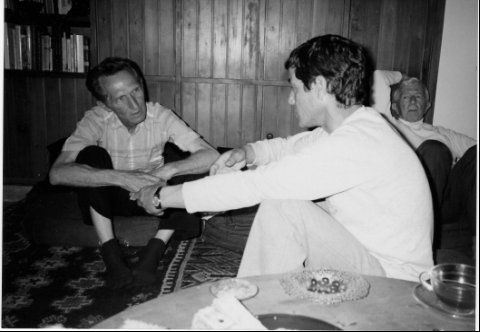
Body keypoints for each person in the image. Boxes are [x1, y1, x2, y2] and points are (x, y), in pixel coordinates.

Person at [132, 34, 434, 282]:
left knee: (284, 205)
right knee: (283, 204)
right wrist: (247, 152)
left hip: (392, 284)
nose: (291, 99)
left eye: (294, 88)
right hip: (368, 258)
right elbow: (288, 147)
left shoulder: (358, 142)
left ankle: (255, 312)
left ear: (317, 86)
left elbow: (262, 184)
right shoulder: (356, 126)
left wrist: (163, 196)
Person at [49, 57, 219, 289]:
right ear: (105, 103)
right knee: (90, 156)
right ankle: (111, 254)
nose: (135, 104)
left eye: (136, 90)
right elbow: (57, 173)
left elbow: (211, 155)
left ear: (142, 85)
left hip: (154, 197)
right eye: (121, 98)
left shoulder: (160, 115)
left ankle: (153, 251)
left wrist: (163, 172)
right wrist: (123, 178)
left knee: (190, 168)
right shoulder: (95, 119)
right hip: (109, 198)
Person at [372, 70, 476, 254]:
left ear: (427, 105)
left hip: (446, 204)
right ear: (395, 107)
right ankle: (420, 233)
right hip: (413, 202)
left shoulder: (442, 133)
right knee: (435, 150)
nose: (412, 101)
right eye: (406, 97)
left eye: (417, 96)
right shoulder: (389, 125)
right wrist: (402, 77)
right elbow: (377, 77)